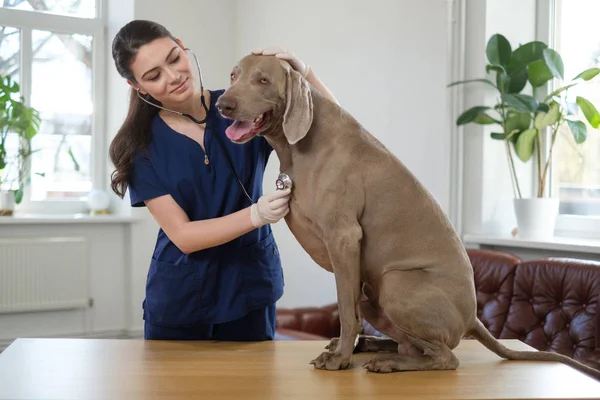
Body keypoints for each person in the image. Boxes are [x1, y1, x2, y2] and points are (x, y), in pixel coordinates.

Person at [108, 19, 338, 341]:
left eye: (174, 58)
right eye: (154, 76)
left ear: (181, 45)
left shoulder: (243, 108)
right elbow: (184, 236)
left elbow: (334, 130)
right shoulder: (139, 146)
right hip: (180, 301)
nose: (173, 76)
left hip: (250, 290)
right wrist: (255, 215)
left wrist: (303, 74)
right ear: (137, 87)